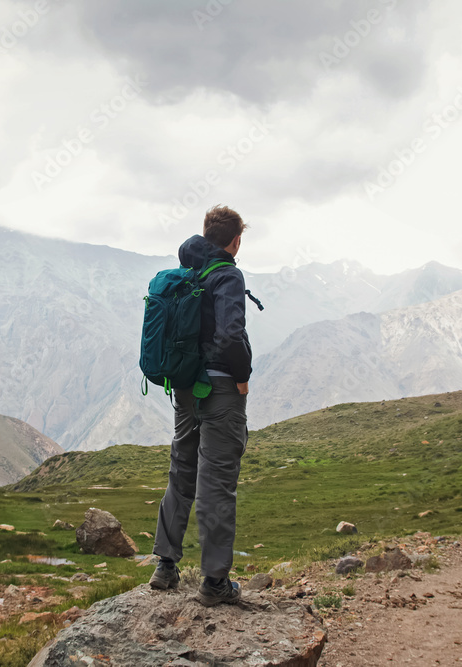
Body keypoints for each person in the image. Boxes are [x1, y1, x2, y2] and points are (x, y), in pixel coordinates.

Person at [150, 205, 252, 607]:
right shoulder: (227, 274)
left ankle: (165, 565)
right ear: (236, 239)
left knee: (182, 470)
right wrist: (242, 377)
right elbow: (231, 335)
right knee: (217, 481)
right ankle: (214, 583)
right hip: (222, 390)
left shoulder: (187, 273)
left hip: (186, 388)